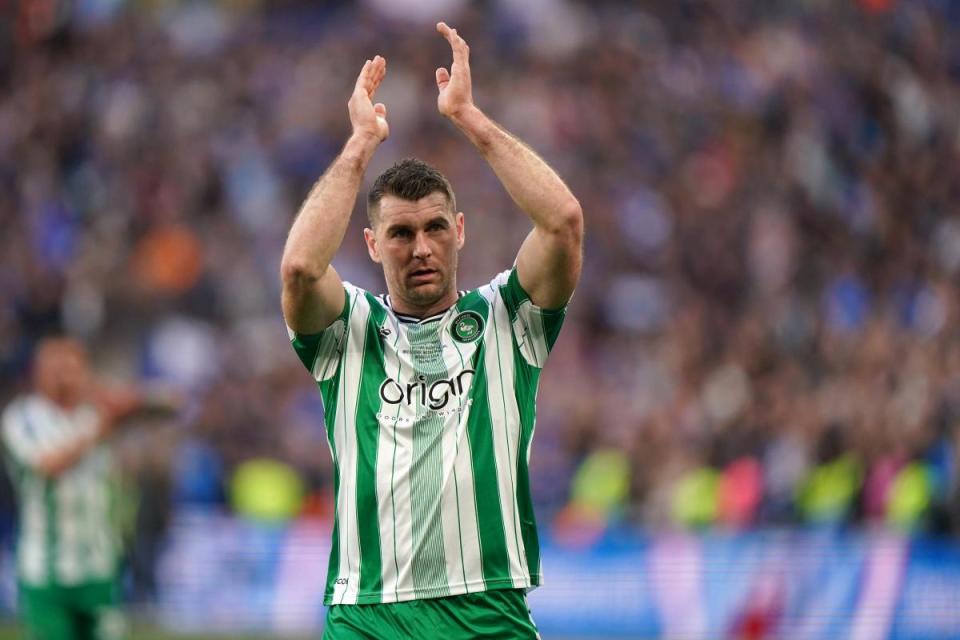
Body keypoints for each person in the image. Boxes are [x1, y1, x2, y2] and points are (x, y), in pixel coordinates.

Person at [281, 21, 583, 639]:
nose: (421, 247)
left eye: (436, 228)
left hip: (486, 608)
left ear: (461, 230)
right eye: (400, 233)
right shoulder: (349, 330)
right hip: (369, 611)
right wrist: (361, 144)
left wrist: (469, 118)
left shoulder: (507, 318)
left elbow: (563, 224)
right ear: (371, 244)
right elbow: (300, 268)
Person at [1, 337, 178, 640]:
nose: (65, 376)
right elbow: (49, 466)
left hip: (98, 564)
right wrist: (99, 428)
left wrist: (113, 394)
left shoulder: (96, 410)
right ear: (39, 373)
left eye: (72, 367)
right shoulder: (22, 417)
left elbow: (172, 404)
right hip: (46, 571)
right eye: (57, 368)